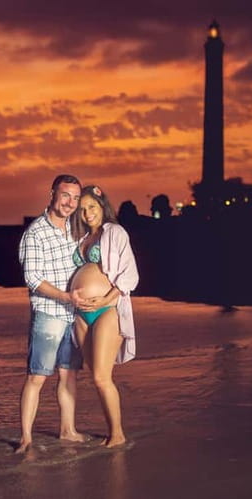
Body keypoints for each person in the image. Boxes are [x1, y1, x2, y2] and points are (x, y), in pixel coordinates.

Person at [16, 174, 87, 454]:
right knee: (37, 376)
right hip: (49, 314)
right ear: (52, 194)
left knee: (69, 375)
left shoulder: (75, 229)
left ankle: (67, 430)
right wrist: (65, 296)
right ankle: (26, 438)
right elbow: (33, 278)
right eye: (65, 195)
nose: (70, 202)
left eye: (75, 197)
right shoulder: (35, 233)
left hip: (75, 314)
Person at [69, 184, 139, 447]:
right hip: (81, 314)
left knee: (101, 377)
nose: (87, 213)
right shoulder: (82, 238)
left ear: (103, 206)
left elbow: (130, 274)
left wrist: (107, 298)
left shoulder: (115, 233)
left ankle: (118, 434)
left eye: (92, 207)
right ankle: (112, 430)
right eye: (83, 209)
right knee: (94, 375)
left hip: (108, 311)